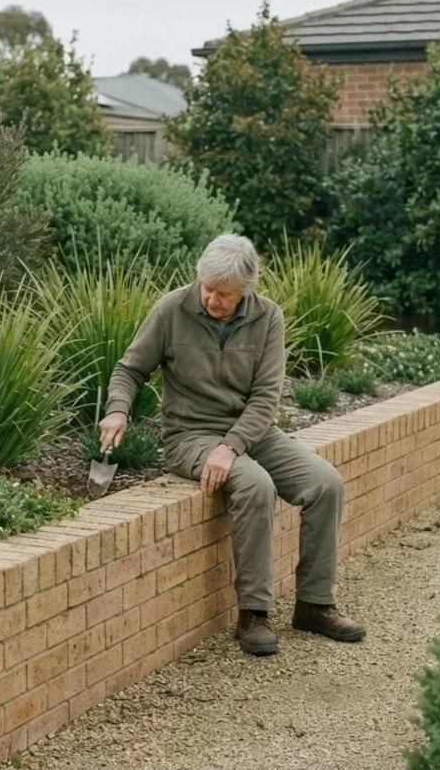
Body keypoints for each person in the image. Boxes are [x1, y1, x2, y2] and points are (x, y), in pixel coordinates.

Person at [98, 233, 366, 656]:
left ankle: (315, 604)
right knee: (254, 485)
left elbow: (266, 398)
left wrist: (233, 445)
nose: (212, 300)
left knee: (325, 483)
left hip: (254, 433)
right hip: (191, 436)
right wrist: (118, 410)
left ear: (246, 290)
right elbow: (130, 369)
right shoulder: (171, 309)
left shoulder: (269, 318)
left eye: (224, 294)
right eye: (207, 289)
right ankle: (253, 614)